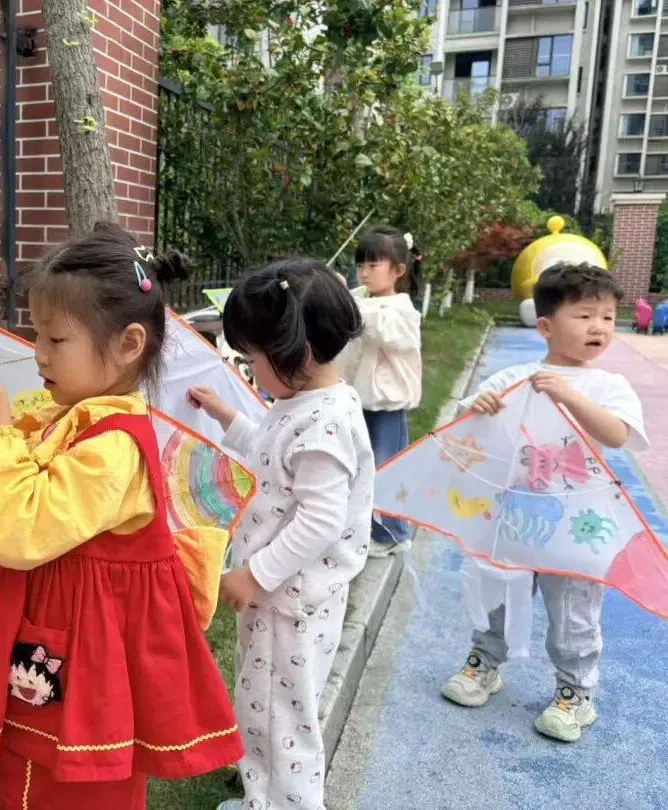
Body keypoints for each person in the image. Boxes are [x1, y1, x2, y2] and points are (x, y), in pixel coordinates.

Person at [0, 223, 243, 810]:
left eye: (56, 338)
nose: (38, 352)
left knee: (55, 788)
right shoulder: (67, 417)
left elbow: (18, 531)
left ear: (129, 344)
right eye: (36, 333)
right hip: (43, 641)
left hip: (72, 668)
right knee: (12, 778)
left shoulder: (115, 447)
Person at [188, 259, 374, 810]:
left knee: (280, 717)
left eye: (252, 359)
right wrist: (227, 417)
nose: (249, 370)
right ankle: (263, 795)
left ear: (299, 355)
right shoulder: (304, 404)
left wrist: (255, 574)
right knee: (268, 708)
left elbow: (320, 519)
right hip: (287, 598)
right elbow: (271, 460)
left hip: (285, 601)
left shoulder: (323, 424)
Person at [441, 262, 648, 743]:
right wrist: (476, 407)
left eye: (608, 318)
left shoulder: (609, 386)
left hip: (578, 527)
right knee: (497, 594)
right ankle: (484, 663)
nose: (599, 327)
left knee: (573, 611)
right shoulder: (516, 377)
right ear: (545, 326)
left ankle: (575, 693)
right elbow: (465, 426)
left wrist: (571, 397)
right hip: (514, 518)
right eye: (585, 316)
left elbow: (617, 435)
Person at [336, 225, 423, 558]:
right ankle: (364, 528)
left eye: (373, 265)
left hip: (387, 405)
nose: (365, 272)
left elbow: (381, 331)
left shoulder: (402, 310)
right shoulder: (362, 303)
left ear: (398, 271)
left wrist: (346, 301)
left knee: (386, 469)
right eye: (361, 265)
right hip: (359, 400)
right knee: (359, 467)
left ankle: (394, 534)